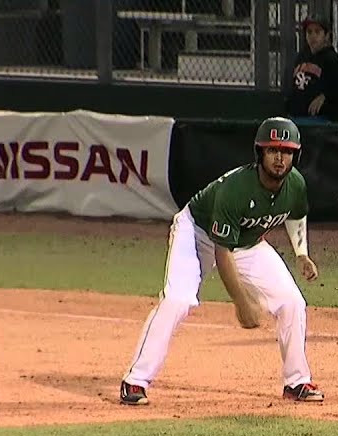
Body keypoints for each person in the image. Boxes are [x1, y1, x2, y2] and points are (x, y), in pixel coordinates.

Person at [120, 117, 325, 406]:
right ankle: (135, 380)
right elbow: (222, 251)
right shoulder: (237, 189)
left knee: (292, 302)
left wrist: (301, 253)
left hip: (248, 243)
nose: (280, 158)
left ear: (296, 155)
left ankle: (297, 381)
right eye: (273, 150)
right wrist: (242, 302)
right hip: (197, 233)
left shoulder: (296, 184)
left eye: (287, 151)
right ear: (260, 153)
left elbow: (296, 214)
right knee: (178, 300)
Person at [285, 18, 338, 124]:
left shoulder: (331, 58)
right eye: (309, 32)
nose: (313, 36)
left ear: (326, 36)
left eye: (317, 32)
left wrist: (325, 96)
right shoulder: (301, 57)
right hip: (295, 117)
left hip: (320, 119)